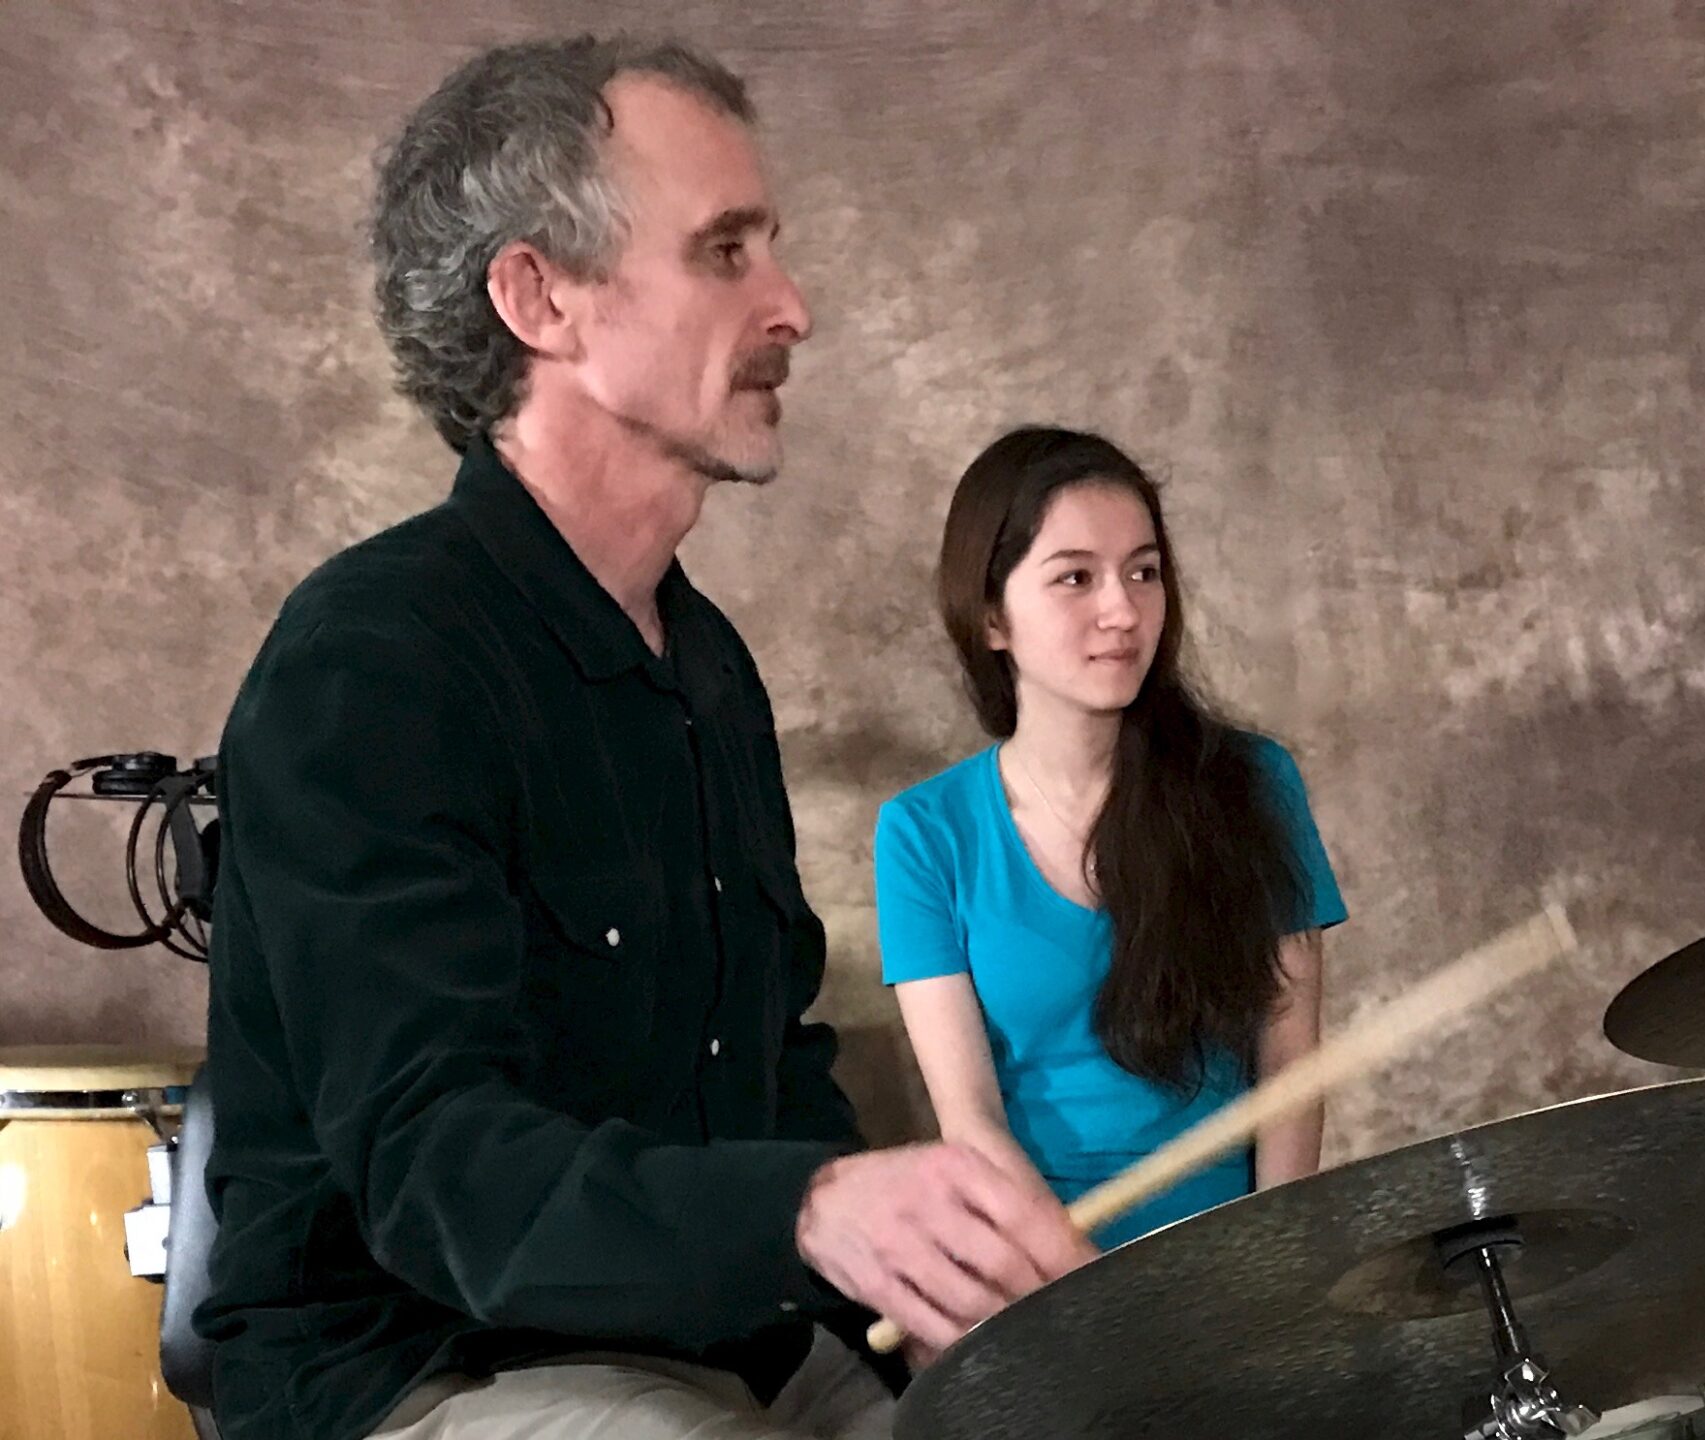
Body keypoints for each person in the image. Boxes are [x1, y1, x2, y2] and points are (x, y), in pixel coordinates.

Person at [196, 37, 1086, 1440]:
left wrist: (921, 1264)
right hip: (421, 1364)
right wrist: (809, 1209)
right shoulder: (370, 663)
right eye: (726, 251)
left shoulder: (709, 665)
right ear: (539, 296)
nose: (792, 307)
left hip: (722, 1344)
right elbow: (441, 1172)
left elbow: (770, 1070)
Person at [873, 427, 1347, 1251]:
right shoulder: (923, 832)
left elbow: (1290, 1059)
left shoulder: (1252, 783)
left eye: (1144, 571)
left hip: (1232, 1244)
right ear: (991, 616)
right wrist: (1084, 1291)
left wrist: (1277, 1261)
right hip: (1037, 1258)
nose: (1123, 610)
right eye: (1075, 578)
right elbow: (972, 1121)